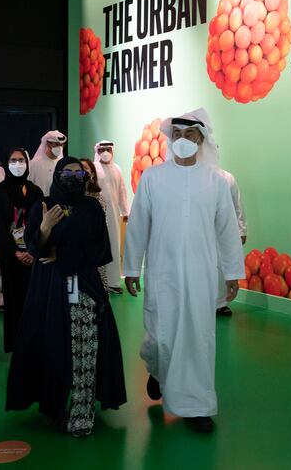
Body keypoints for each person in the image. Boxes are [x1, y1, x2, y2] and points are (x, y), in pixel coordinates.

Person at [123, 108, 244, 434]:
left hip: (202, 275)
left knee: (198, 339)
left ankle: (197, 407)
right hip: (162, 271)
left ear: (202, 139)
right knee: (161, 335)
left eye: (190, 135)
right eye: (177, 135)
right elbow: (137, 226)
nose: (182, 140)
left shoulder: (217, 182)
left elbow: (228, 230)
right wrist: (131, 268)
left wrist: (233, 272)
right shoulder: (153, 177)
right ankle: (159, 371)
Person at [6, 157, 127, 438]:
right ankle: (52, 404)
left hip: (82, 285)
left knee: (85, 345)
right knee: (50, 343)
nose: (73, 176)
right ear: (58, 175)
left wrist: (63, 254)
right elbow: (36, 249)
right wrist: (45, 227)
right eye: (67, 172)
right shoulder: (43, 205)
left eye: (78, 172)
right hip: (48, 288)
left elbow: (101, 251)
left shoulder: (92, 208)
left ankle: (82, 411)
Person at [0, 149, 43, 353]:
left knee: (34, 298)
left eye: (21, 160)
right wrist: (15, 252)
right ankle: (15, 343)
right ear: (6, 163)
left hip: (33, 254)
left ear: (27, 164)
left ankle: (34, 341)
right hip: (11, 255)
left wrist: (33, 251)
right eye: (13, 160)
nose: (18, 164)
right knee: (13, 299)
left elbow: (40, 224)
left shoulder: (35, 191)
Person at [93, 141, 130, 293]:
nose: (105, 152)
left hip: (114, 215)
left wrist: (126, 211)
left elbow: (122, 191)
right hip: (96, 214)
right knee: (99, 246)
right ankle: (99, 282)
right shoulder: (94, 168)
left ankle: (114, 282)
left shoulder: (117, 169)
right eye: (102, 149)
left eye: (108, 149)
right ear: (97, 151)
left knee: (114, 245)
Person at [215, 168, 247, 317]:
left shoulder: (228, 178)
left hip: (223, 230)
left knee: (222, 267)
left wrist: (242, 230)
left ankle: (221, 303)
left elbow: (237, 205)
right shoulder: (195, 177)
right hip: (200, 232)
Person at [79, 158, 111, 290]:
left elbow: (100, 223)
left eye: (85, 169)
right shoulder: (70, 195)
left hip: (94, 247)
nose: (82, 172)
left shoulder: (98, 196)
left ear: (92, 173)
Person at [29, 130, 66, 195]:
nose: (60, 147)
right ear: (48, 144)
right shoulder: (35, 163)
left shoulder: (63, 164)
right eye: (57, 144)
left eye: (62, 145)